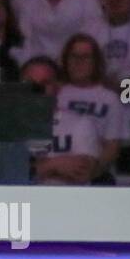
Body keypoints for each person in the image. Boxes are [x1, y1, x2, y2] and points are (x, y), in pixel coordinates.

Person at [21, 55, 104, 183]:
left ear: (57, 87)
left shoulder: (81, 124)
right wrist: (53, 164)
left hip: (69, 201)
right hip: (18, 201)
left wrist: (33, 168)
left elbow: (83, 173)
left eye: (45, 83)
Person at [58, 33, 130, 178]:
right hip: (56, 173)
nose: (79, 62)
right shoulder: (55, 93)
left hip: (97, 175)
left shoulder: (110, 98)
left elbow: (113, 146)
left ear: (95, 62)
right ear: (66, 60)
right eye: (74, 56)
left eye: (85, 57)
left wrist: (89, 174)